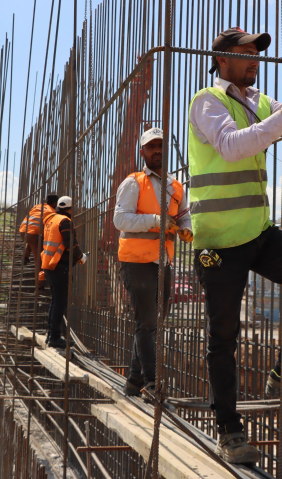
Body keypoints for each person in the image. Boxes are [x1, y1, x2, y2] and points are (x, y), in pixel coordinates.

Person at [188, 27, 282, 463]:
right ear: (221, 59)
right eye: (246, 52)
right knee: (224, 336)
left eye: (257, 53)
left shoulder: (260, 102)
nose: (255, 59)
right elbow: (233, 147)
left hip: (257, 231)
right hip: (217, 239)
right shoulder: (207, 101)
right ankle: (230, 431)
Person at [113, 127, 193, 398]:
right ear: (143, 152)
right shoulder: (134, 182)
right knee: (147, 322)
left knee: (154, 323)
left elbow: (183, 215)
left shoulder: (176, 186)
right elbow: (120, 220)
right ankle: (152, 383)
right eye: (152, 146)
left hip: (163, 261)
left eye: (161, 146)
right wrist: (156, 221)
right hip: (136, 261)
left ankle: (134, 381)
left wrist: (185, 227)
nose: (157, 150)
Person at [40, 196, 87, 348]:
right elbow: (70, 244)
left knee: (55, 301)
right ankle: (54, 337)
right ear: (70, 208)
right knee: (60, 302)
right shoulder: (65, 221)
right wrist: (81, 256)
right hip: (60, 266)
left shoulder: (51, 220)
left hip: (49, 265)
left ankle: (50, 334)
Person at [19, 194, 60, 267]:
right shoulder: (51, 212)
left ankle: (25, 256)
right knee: (39, 260)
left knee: (33, 237)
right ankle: (39, 277)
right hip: (32, 235)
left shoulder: (38, 206)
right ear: (55, 203)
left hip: (22, 231)